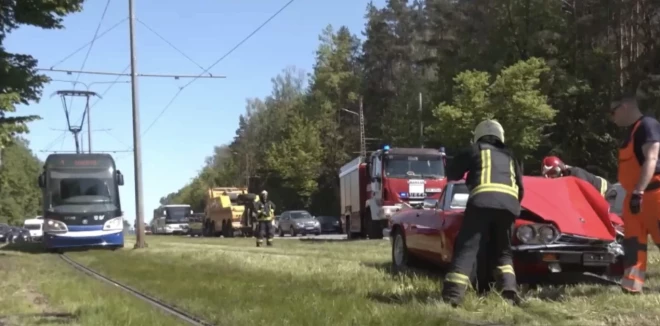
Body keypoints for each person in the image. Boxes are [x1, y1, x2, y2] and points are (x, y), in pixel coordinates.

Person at [440, 119, 524, 306]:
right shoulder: (510, 155)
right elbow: (521, 186)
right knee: (503, 251)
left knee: (467, 247)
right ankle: (509, 290)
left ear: (478, 136)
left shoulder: (475, 149)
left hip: (482, 203)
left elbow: (452, 172)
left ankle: (453, 296)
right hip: (509, 206)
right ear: (500, 136)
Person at [611, 93, 660, 294]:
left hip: (653, 194)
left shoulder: (647, 125)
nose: (611, 117)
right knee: (633, 244)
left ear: (624, 106)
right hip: (634, 197)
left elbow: (652, 157)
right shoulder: (631, 132)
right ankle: (632, 286)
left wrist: (639, 191)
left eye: (612, 112)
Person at [542, 156, 613, 198]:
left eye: (552, 173)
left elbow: (585, 194)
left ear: (560, 168)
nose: (551, 177)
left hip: (606, 192)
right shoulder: (564, 179)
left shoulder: (576, 174)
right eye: (548, 175)